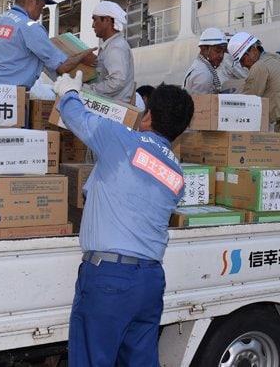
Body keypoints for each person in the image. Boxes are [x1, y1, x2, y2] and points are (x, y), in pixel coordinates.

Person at [53, 71, 194, 367]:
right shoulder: (177, 175)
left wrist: (68, 91)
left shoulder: (121, 141)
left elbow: (76, 116)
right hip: (149, 281)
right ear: (180, 131)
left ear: (148, 116)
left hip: (109, 279)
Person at [0, 0, 96, 90]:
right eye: (41, 6)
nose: (41, 11)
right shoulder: (30, 27)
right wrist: (82, 56)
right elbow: (62, 67)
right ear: (31, 1)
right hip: (9, 94)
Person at [228, 32, 280, 167]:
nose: (243, 66)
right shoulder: (275, 59)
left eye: (242, 60)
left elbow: (246, 103)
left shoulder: (260, 67)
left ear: (252, 50)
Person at [84, 1, 135, 103]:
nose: (93, 25)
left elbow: (117, 82)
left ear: (107, 20)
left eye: (95, 20)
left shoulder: (116, 48)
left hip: (113, 111)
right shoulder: (112, 46)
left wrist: (88, 89)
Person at [183, 27, 227, 94]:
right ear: (204, 49)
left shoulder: (199, 66)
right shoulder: (204, 74)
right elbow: (200, 103)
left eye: (223, 51)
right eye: (217, 51)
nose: (221, 55)